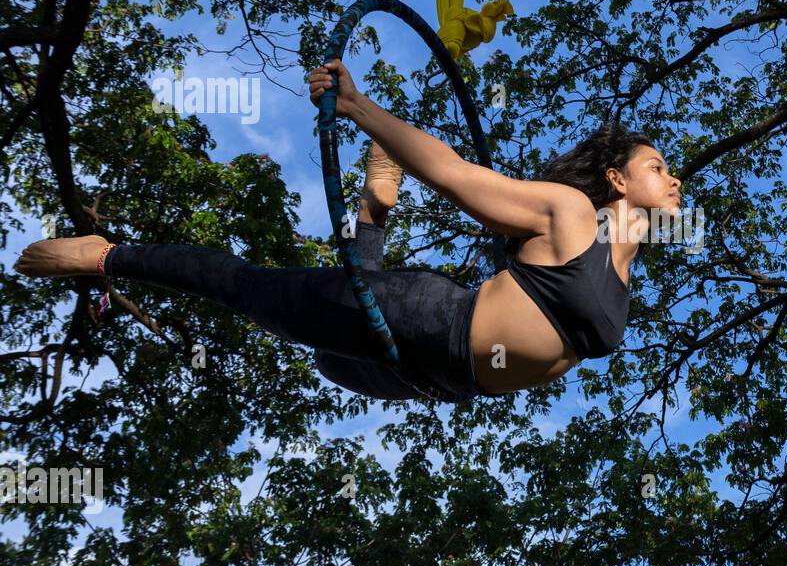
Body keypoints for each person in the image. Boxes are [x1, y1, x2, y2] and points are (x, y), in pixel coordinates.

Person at [16, 58, 684, 402]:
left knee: (329, 363)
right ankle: (109, 256)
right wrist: (359, 107)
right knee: (249, 291)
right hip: (431, 323)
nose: (676, 179)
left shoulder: (625, 281)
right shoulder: (570, 214)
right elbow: (453, 174)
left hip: (438, 381)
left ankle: (374, 207)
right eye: (658, 166)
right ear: (618, 183)